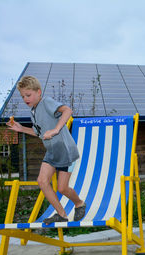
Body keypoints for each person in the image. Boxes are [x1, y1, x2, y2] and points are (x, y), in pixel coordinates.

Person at [6, 75, 86, 224]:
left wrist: (56, 129)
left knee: (62, 188)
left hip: (66, 151)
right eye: (23, 96)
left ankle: (80, 203)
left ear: (39, 92)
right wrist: (21, 128)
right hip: (52, 152)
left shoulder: (46, 102)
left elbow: (67, 110)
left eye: (28, 95)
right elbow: (39, 134)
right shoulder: (33, 112)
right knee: (42, 181)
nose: (25, 99)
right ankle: (61, 215)